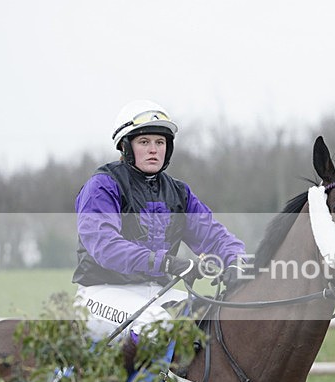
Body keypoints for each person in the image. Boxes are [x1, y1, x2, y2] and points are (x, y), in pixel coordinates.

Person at [72, 99, 246, 344]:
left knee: (210, 319)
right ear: (125, 147)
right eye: (144, 142)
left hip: (155, 293)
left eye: (160, 142)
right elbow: (105, 247)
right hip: (100, 294)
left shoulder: (178, 192)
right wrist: (165, 263)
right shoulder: (102, 186)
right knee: (159, 325)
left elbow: (215, 236)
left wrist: (236, 263)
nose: (154, 149)